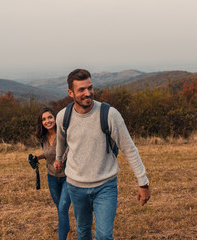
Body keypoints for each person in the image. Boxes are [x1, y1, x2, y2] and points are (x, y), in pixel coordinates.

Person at [54, 69, 150, 240]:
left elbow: (129, 149)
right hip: (75, 186)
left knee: (104, 235)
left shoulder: (109, 114)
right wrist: (59, 158)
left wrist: (143, 182)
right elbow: (61, 141)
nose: (88, 93)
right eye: (81, 90)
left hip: (105, 185)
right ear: (70, 93)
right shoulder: (63, 117)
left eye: (90, 88)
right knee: (83, 231)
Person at [34, 107, 72, 240]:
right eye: (44, 119)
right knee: (60, 208)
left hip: (68, 177)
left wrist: (61, 158)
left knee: (62, 208)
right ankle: (66, 227)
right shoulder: (43, 137)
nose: (47, 121)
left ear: (55, 118)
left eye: (50, 117)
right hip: (52, 178)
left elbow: (70, 148)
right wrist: (37, 158)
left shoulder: (63, 133)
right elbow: (48, 153)